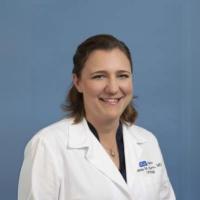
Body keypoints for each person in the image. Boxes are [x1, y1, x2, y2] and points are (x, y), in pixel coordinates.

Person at [18, 34, 176, 200]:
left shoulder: (148, 142)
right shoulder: (47, 146)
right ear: (78, 82)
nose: (113, 88)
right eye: (99, 76)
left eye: (122, 75)